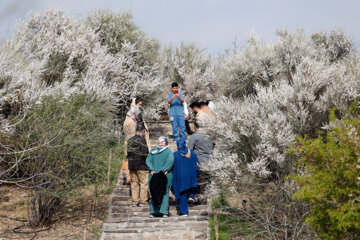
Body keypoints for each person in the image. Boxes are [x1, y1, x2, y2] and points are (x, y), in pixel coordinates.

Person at [146, 136, 174, 217]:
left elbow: (148, 161)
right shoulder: (168, 152)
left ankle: (153, 211)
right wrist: (163, 171)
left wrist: (152, 170)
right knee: (164, 193)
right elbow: (170, 161)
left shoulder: (152, 151)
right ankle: (163, 212)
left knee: (154, 193)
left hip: (154, 176)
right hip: (164, 175)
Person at [172, 137, 199, 216]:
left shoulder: (175, 155)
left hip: (180, 177)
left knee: (182, 193)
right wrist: (197, 173)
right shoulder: (192, 153)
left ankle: (184, 212)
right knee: (190, 187)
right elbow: (197, 164)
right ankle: (191, 195)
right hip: (191, 176)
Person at [188, 121, 215, 197]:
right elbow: (213, 146)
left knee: (199, 179)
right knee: (207, 179)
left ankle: (198, 196)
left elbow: (189, 149)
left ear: (195, 127)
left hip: (199, 160)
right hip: (209, 160)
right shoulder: (210, 136)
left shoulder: (195, 136)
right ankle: (205, 196)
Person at [128, 128, 150, 207]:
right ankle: (143, 201)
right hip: (141, 165)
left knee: (134, 184)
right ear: (143, 131)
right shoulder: (142, 140)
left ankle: (135, 201)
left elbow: (128, 154)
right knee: (144, 183)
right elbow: (145, 153)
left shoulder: (130, 140)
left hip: (132, 165)